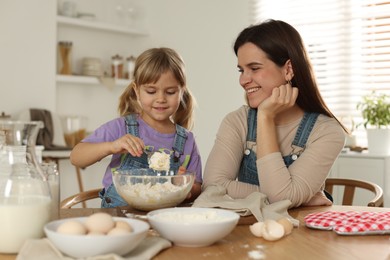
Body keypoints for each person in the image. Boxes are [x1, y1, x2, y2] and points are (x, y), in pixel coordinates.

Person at [202, 19, 347, 208]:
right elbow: (213, 187)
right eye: (241, 70)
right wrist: (296, 199)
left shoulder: (327, 132)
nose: (243, 80)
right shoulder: (237, 121)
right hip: (246, 233)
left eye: (254, 68)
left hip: (299, 235)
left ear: (288, 69)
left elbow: (281, 198)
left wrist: (265, 117)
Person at [70, 47, 202, 208]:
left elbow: (196, 187)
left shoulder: (187, 140)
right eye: (151, 91)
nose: (160, 99)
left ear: (181, 92)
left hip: (164, 220)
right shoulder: (121, 128)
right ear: (137, 91)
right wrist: (111, 146)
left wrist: (185, 188)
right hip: (119, 217)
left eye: (170, 92)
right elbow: (76, 157)